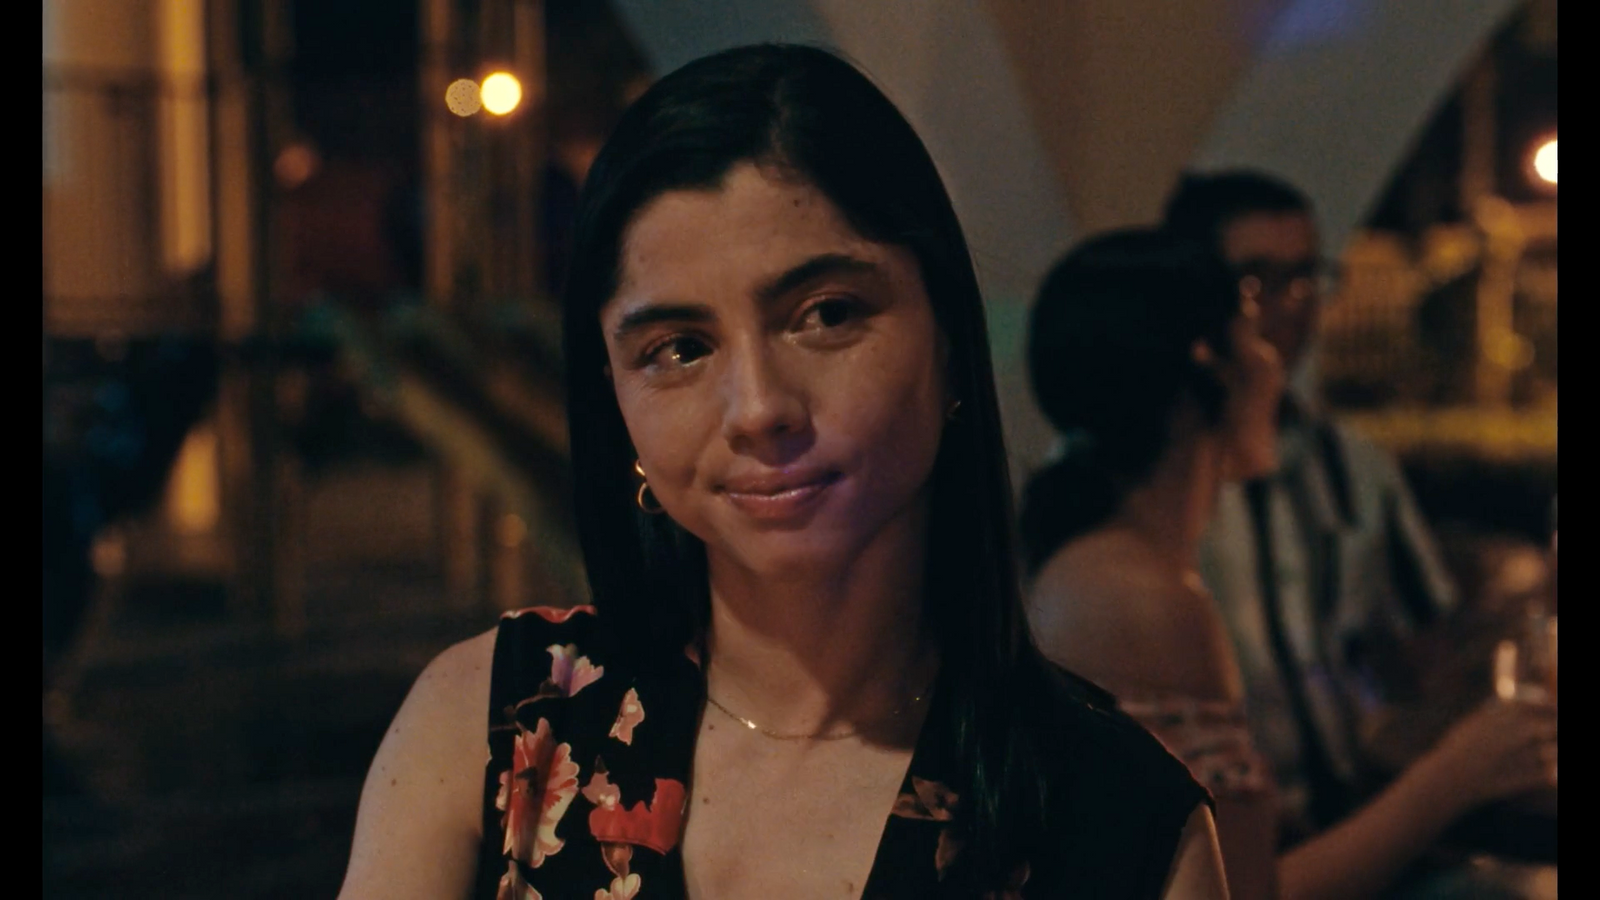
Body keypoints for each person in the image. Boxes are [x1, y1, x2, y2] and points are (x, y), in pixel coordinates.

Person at [339, 44, 1226, 899]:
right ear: (614, 397)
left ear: (950, 341)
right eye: (679, 348)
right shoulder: (503, 727)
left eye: (826, 314)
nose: (759, 406)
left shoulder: (1114, 821)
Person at [1156, 171, 1558, 897]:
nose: (1289, 311)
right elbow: (1243, 885)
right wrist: (1456, 772)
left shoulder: (1350, 463)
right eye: (1257, 282)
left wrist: (1523, 610)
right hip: (1260, 857)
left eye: (1308, 278)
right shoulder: (1142, 536)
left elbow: (1424, 666)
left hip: (1354, 822)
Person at [1020, 229, 1287, 900]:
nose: (1273, 362)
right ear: (1208, 361)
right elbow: (1250, 892)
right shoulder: (1137, 601)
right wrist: (1455, 776)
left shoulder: (1109, 567)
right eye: (1251, 333)